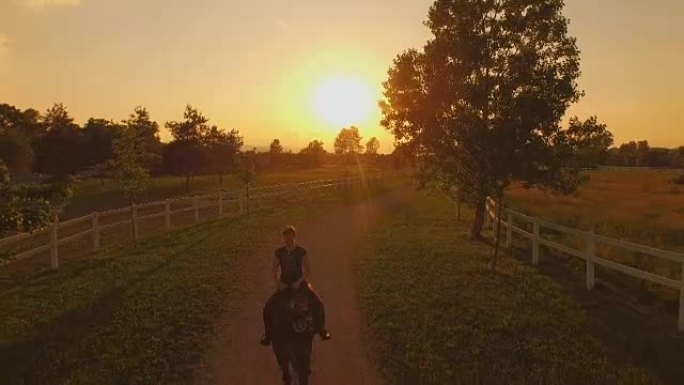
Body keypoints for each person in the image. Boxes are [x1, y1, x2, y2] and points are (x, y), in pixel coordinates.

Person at [260, 225, 331, 346]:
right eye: (285, 237)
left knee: (318, 303)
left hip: (299, 283)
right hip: (284, 285)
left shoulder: (301, 252)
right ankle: (268, 334)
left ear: (294, 236)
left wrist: (298, 282)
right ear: (283, 238)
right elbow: (274, 270)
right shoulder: (279, 252)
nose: (288, 239)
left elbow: (308, 270)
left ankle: (322, 330)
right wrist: (279, 283)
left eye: (290, 236)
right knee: (268, 307)